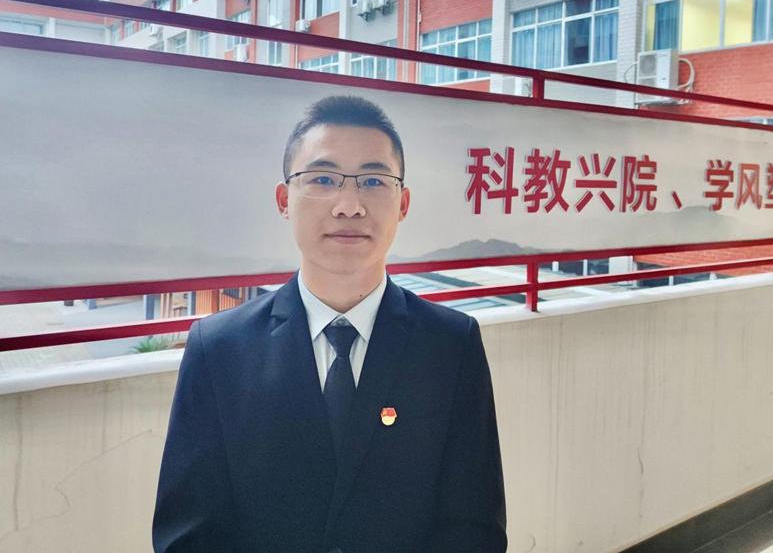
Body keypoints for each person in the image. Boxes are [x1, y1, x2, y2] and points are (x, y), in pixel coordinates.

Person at [152, 94, 507, 552]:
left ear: (403, 203)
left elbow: (474, 529)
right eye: (323, 179)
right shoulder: (219, 349)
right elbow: (188, 535)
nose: (349, 206)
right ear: (284, 199)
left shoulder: (451, 344)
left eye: (374, 181)